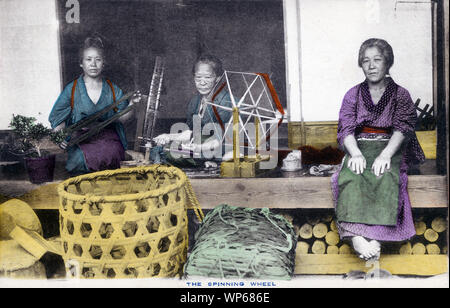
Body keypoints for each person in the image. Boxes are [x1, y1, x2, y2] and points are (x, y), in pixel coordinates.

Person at [331, 38, 425, 261]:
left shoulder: (400, 94)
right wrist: (354, 153)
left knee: (386, 174)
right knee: (350, 175)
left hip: (393, 146)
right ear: (361, 65)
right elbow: (345, 129)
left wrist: (385, 155)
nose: (371, 66)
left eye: (377, 60)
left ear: (388, 63)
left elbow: (403, 128)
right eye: (366, 61)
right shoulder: (352, 94)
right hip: (360, 145)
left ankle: (375, 239)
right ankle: (356, 236)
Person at [49, 36, 141, 176]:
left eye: (98, 60)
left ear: (103, 64)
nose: (93, 64)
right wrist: (60, 138)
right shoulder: (72, 89)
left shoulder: (112, 88)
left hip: (108, 138)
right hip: (81, 139)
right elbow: (57, 118)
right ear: (81, 63)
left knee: (111, 154)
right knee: (79, 161)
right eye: (88, 59)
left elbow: (122, 118)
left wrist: (132, 105)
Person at [153, 54, 232, 164]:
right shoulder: (195, 102)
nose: (202, 82)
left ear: (218, 78)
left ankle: (207, 162)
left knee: (171, 153)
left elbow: (222, 140)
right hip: (197, 147)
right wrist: (168, 136)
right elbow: (190, 133)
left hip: (219, 148)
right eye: (198, 78)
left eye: (208, 77)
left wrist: (197, 147)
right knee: (159, 150)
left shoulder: (225, 102)